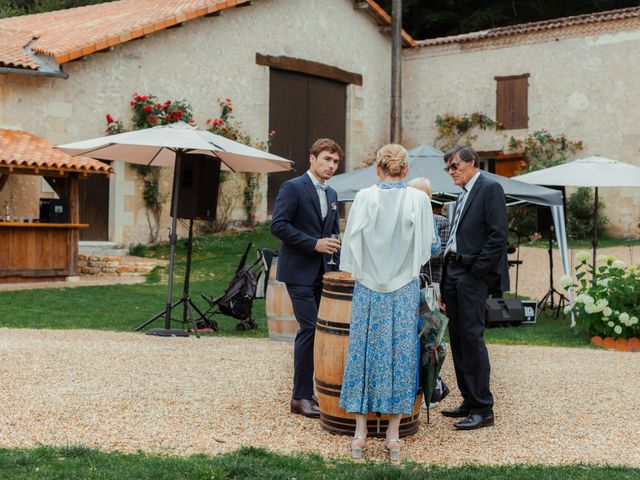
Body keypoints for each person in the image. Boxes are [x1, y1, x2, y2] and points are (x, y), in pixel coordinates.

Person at [339, 144, 433, 460]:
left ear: (377, 169)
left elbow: (351, 243)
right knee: (399, 353)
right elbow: (426, 248)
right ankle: (393, 436)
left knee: (363, 352)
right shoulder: (419, 199)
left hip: (367, 286)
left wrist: (366, 270)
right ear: (406, 171)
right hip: (403, 286)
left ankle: (360, 434)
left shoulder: (364, 197)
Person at [270, 138, 343, 419]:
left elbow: (331, 231)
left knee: (318, 332)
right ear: (312, 158)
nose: (331, 166)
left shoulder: (333, 193)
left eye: (335, 162)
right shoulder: (293, 187)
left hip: (322, 273)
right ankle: (299, 397)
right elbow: (278, 225)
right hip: (298, 271)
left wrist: (334, 255)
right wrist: (314, 244)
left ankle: (310, 392)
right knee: (310, 328)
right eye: (327, 159)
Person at [440, 145, 509, 430]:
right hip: (453, 271)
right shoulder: (463, 194)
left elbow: (497, 235)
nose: (451, 172)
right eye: (448, 168)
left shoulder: (489, 188)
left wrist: (477, 270)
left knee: (471, 338)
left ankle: (483, 408)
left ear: (471, 162)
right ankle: (469, 400)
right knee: (457, 338)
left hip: (471, 274)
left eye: (455, 166)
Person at [407, 177, 450, 297]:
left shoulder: (441, 222)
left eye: (423, 194)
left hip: (430, 282)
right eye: (414, 193)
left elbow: (442, 256)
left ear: (429, 196)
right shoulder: (402, 222)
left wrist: (413, 256)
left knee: (429, 315)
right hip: (404, 282)